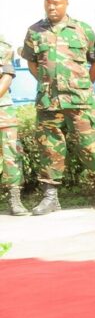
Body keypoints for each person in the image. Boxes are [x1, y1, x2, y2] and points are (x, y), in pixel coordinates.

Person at [22, 0, 95, 215]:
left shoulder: (82, 30)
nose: (52, 7)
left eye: (57, 3)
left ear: (66, 3)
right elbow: (32, 63)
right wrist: (47, 83)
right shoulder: (34, 32)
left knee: (90, 145)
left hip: (79, 100)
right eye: (48, 3)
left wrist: (83, 85)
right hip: (48, 101)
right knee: (49, 148)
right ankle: (50, 197)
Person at [0, 38, 28, 216]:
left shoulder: (3, 46)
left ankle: (14, 198)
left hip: (2, 109)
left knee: (10, 154)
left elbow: (7, 76)